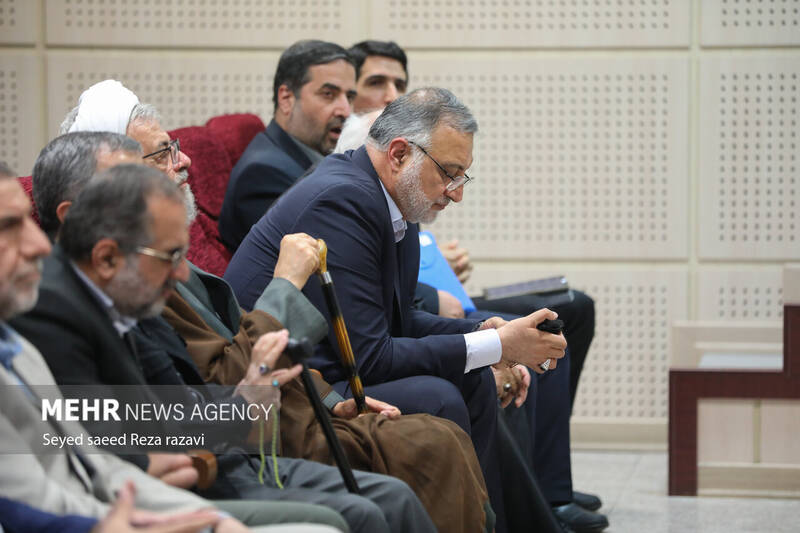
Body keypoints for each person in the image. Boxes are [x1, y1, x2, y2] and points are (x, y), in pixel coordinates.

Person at [35, 126, 493, 533]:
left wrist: (328, 400)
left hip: (250, 429)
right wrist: (284, 289)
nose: (175, 169)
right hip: (229, 452)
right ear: (76, 217)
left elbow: (177, 401)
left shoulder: (134, 280)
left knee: (431, 447)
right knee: (390, 486)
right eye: (133, 186)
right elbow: (94, 441)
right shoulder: (68, 305)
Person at [225, 87, 574, 533]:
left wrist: (486, 333)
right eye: (449, 173)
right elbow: (369, 356)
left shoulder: (392, 201)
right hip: (287, 387)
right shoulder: (343, 201)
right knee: (440, 395)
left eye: (462, 177)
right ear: (399, 154)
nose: (455, 194)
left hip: (331, 363)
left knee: (472, 381)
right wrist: (493, 345)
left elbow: (400, 318)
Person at [0, 173, 342, 533]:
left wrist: (213, 522)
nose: (38, 244)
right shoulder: (53, 307)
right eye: (9, 226)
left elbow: (103, 466)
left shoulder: (21, 348)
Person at [219, 40, 357, 252]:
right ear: (286, 98)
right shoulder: (263, 175)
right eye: (329, 94)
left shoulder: (303, 157)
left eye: (349, 97)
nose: (345, 110)